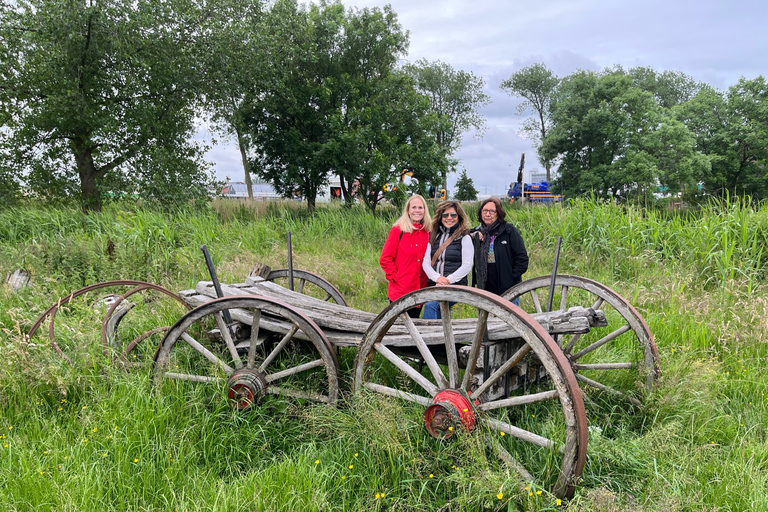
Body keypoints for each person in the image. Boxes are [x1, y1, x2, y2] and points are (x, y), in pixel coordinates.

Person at [379, 195, 431, 318]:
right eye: (413, 207)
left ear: (425, 210)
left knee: (414, 323)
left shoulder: (428, 231)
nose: (417, 210)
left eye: (420, 207)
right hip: (401, 289)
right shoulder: (398, 230)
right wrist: (396, 277)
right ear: (408, 210)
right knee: (399, 326)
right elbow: (385, 259)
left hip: (421, 287)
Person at [421, 201, 473, 319]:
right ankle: (441, 336)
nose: (449, 218)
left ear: (459, 216)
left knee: (431, 306)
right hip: (435, 284)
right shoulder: (434, 235)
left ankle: (428, 336)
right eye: (445, 215)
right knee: (438, 310)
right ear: (440, 217)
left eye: (453, 215)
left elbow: (467, 265)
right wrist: (437, 278)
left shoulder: (464, 237)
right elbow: (426, 262)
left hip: (456, 286)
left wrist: (447, 280)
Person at [472, 197, 529, 297]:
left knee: (509, 313)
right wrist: (471, 234)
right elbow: (461, 233)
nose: (488, 214)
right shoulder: (477, 232)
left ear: (498, 213)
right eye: (485, 210)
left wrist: (511, 278)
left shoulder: (508, 230)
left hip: (508, 288)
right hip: (485, 287)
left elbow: (522, 258)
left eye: (492, 211)